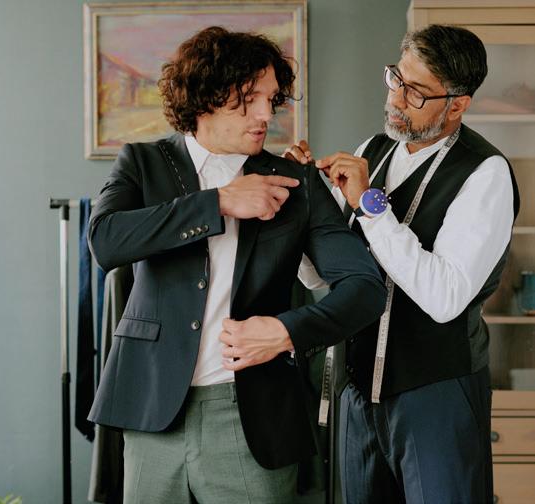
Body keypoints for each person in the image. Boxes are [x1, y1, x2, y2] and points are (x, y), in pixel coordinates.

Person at [87, 26, 386, 503]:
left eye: (271, 99)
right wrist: (219, 202)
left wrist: (287, 332)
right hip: (151, 411)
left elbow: (365, 288)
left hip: (252, 420)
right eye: (249, 100)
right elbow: (105, 241)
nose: (266, 114)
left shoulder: (296, 183)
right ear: (204, 99)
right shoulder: (142, 163)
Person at [287, 24, 520, 504]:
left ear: (457, 104)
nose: (395, 98)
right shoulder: (370, 152)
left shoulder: (486, 172)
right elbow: (322, 277)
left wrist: (371, 207)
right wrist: (304, 208)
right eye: (396, 78)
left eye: (415, 92)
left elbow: (445, 298)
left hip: (436, 394)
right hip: (357, 392)